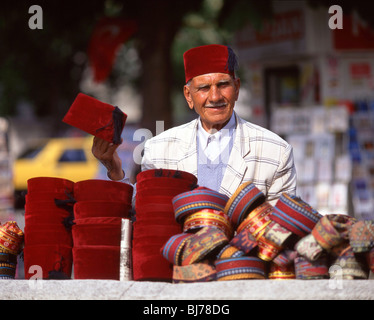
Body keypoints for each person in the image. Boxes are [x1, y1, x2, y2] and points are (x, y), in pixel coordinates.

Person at [92, 44, 296, 206]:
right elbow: (146, 213)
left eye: (223, 85)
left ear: (237, 88)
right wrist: (114, 168)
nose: (215, 96)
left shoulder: (275, 151)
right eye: (204, 88)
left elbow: (281, 228)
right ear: (188, 96)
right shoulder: (159, 149)